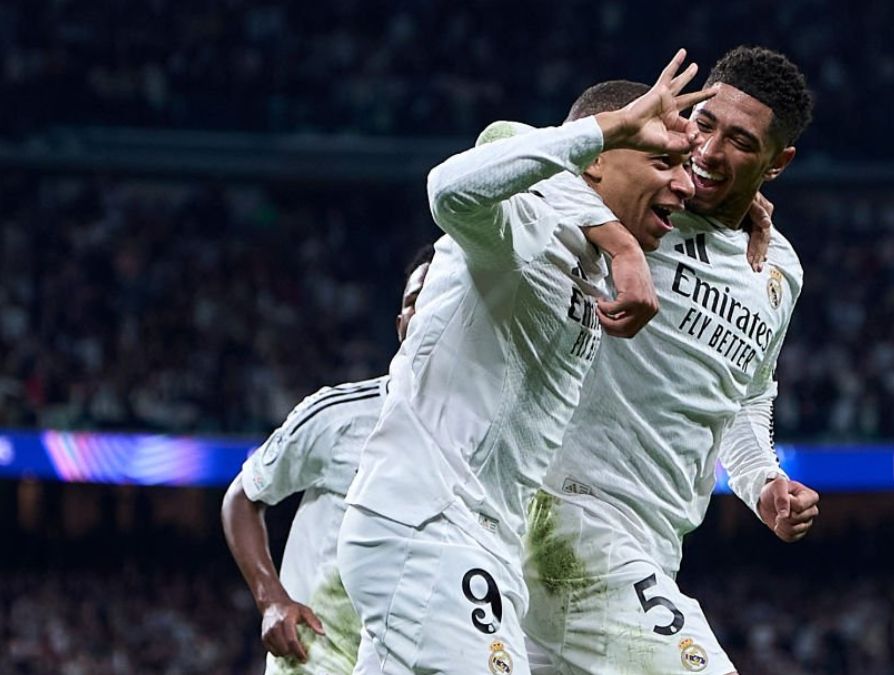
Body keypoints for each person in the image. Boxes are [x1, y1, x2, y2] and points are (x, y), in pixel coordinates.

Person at [337, 50, 714, 675]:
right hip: (430, 523)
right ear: (595, 158)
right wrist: (606, 130)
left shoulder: (593, 266)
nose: (683, 182)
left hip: (485, 545)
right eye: (662, 161)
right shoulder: (530, 220)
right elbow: (447, 189)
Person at [522, 46, 820, 674]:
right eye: (704, 124)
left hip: (656, 542)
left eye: (741, 141)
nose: (709, 153)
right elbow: (507, 150)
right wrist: (619, 246)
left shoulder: (779, 270)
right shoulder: (640, 198)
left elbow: (745, 394)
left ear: (778, 163)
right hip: (572, 514)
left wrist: (763, 481)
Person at [220, 245, 435, 675]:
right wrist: (271, 600)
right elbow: (242, 497)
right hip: (316, 660)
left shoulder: (488, 442)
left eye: (439, 297)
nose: (426, 310)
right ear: (399, 325)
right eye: (414, 300)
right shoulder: (339, 414)